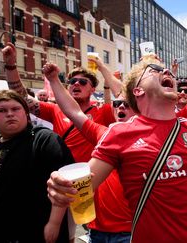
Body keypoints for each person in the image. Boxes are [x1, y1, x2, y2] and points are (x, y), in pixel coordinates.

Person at [46, 56, 187, 242]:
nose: (166, 71)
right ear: (137, 90)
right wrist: (60, 190)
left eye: (167, 71)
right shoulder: (119, 133)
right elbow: (79, 188)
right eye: (155, 70)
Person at [1, 42, 119, 241]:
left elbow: (122, 96)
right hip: (60, 184)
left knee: (95, 232)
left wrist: (101, 66)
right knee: (65, 235)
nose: (75, 84)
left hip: (92, 184)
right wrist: (11, 65)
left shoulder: (105, 112)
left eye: (82, 82)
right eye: (72, 81)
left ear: (92, 89)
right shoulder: (56, 110)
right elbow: (23, 98)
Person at [43, 62, 135, 242]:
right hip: (97, 230)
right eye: (117, 104)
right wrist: (54, 79)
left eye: (127, 104)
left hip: (131, 231)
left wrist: (101, 66)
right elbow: (73, 112)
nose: (121, 107)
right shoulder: (105, 134)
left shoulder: (151, 139)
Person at [0, 90, 73, 242]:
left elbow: (65, 184)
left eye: (15, 109)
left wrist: (54, 223)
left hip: (37, 232)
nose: (9, 114)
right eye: (1, 110)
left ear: (26, 113)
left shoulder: (44, 139)